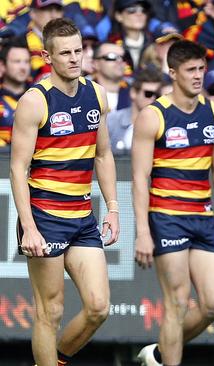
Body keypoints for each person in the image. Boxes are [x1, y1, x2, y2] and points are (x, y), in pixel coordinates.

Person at [8, 18, 119, 366]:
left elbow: (102, 154)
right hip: (45, 217)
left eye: (79, 51)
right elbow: (17, 168)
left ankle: (54, 360)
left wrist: (113, 208)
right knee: (50, 311)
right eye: (65, 52)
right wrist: (28, 226)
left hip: (82, 218)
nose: (74, 58)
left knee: (99, 307)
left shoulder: (96, 94)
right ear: (47, 56)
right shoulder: (34, 101)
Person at [132, 40, 214, 366]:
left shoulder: (213, 110)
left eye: (201, 69)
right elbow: (140, 177)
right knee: (177, 302)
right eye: (190, 70)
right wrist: (142, 232)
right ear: (173, 72)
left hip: (203, 217)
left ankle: (159, 354)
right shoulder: (154, 116)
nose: (198, 76)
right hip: (167, 217)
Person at [107, 66, 164, 153]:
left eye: (158, 95)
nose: (153, 99)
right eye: (148, 94)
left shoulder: (166, 122)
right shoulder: (111, 121)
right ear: (133, 93)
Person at [0, 37, 30, 145]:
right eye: (17, 61)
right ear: (2, 66)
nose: (23, 67)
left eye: (26, 62)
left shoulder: (39, 96)